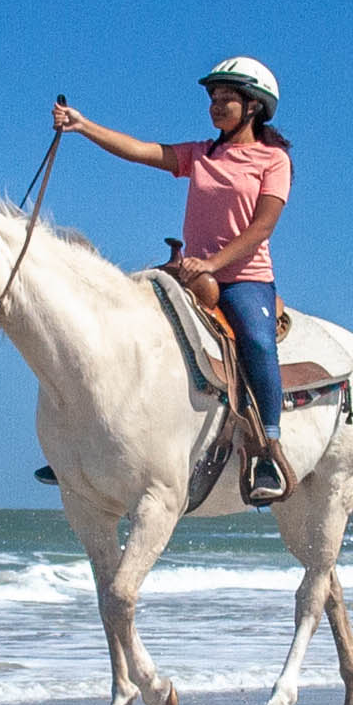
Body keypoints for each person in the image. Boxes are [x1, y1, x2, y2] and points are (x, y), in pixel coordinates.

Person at [55, 59, 296, 504]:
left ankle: (266, 449)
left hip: (245, 278)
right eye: (212, 99)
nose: (216, 106)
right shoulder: (200, 154)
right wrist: (82, 125)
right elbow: (141, 150)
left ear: (254, 107)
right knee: (123, 321)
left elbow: (262, 228)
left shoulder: (273, 160)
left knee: (258, 343)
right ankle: (87, 442)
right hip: (190, 272)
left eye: (227, 98)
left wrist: (212, 263)